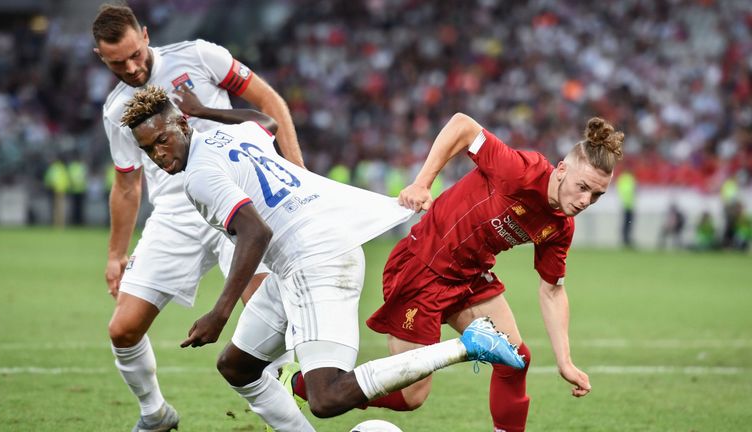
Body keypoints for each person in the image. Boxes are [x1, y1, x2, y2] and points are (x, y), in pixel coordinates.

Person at [121, 85, 525, 432]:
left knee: (327, 396)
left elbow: (254, 232)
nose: (157, 154)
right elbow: (267, 122)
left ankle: (468, 346)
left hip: (316, 259)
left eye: (162, 140)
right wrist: (206, 111)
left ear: (182, 125)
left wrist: (219, 313)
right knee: (237, 366)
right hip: (302, 254)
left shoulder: (199, 175)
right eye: (147, 149)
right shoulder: (223, 137)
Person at [317, 113, 618, 432]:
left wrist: (565, 360)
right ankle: (305, 387)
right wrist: (422, 183)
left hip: (471, 277)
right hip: (422, 268)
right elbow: (462, 125)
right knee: (412, 396)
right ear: (561, 170)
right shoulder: (520, 171)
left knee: (515, 359)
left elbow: (553, 290)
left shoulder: (559, 227)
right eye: (583, 187)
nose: (586, 200)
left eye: (597, 194)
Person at [92, 4, 302, 431]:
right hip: (174, 214)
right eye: (119, 62)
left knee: (267, 316)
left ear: (146, 35)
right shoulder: (116, 111)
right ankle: (155, 415)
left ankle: (284, 412)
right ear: (101, 57)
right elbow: (128, 184)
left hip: (233, 196)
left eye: (136, 54)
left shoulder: (200, 55)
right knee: (123, 329)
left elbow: (269, 104)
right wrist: (116, 254)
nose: (132, 68)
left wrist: (297, 171)